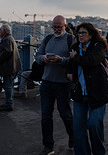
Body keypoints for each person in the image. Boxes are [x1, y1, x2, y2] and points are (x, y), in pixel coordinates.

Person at [67, 23, 108, 155]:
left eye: (83, 33)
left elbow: (91, 61)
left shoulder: (98, 47)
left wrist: (76, 57)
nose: (80, 35)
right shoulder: (75, 47)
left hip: (97, 93)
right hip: (80, 92)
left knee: (94, 125)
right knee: (78, 128)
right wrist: (69, 74)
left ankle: (99, 152)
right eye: (78, 33)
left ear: (91, 34)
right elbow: (71, 65)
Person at [35, 15, 75, 155]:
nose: (57, 29)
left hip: (63, 84)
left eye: (59, 27)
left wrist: (60, 60)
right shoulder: (47, 39)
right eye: (55, 27)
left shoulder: (70, 39)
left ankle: (73, 136)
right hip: (46, 82)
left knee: (65, 113)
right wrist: (44, 59)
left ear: (65, 26)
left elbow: (73, 60)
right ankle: (48, 146)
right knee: (46, 116)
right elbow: (38, 56)